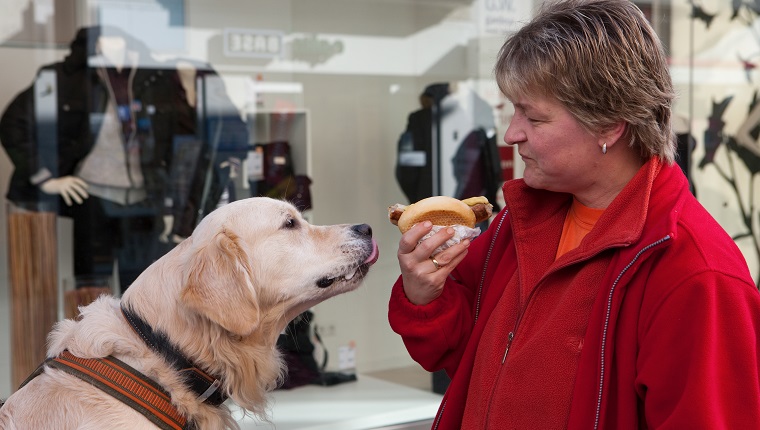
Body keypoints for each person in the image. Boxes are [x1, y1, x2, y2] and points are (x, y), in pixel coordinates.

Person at [388, 0, 760, 428]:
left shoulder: (696, 273)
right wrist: (425, 293)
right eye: (513, 109)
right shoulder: (518, 223)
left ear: (609, 124)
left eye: (535, 116)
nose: (512, 133)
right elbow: (454, 354)